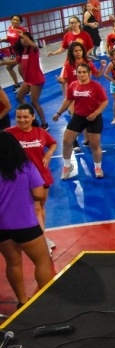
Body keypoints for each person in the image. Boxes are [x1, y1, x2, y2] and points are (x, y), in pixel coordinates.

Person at [0, 131, 54, 308]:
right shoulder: (26, 166)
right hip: (25, 224)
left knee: (13, 263)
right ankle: (47, 301)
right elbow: (39, 193)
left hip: (1, 227)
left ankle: (22, 301)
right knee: (43, 261)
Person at [6, 104, 56, 250]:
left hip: (42, 175)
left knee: (40, 207)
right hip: (20, 179)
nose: (22, 120)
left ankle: (42, 237)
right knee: (34, 208)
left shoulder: (40, 132)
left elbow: (53, 143)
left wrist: (48, 153)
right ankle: (40, 242)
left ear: (33, 117)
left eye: (25, 117)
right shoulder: (9, 134)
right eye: (18, 117)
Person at [53, 64, 108, 179]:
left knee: (94, 145)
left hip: (93, 118)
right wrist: (59, 113)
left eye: (84, 72)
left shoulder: (96, 86)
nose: (81, 74)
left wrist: (95, 113)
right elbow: (68, 100)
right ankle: (67, 166)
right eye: (79, 72)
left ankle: (98, 167)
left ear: (89, 73)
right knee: (66, 141)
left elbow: (104, 101)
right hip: (78, 117)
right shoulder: (73, 85)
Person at [10, 19, 47, 127]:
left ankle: (44, 123)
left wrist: (23, 35)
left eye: (25, 39)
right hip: (28, 80)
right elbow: (16, 61)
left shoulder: (33, 50)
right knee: (19, 98)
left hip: (36, 79)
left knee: (34, 102)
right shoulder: (23, 52)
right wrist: (2, 62)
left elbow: (34, 45)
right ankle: (32, 116)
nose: (23, 41)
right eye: (21, 40)